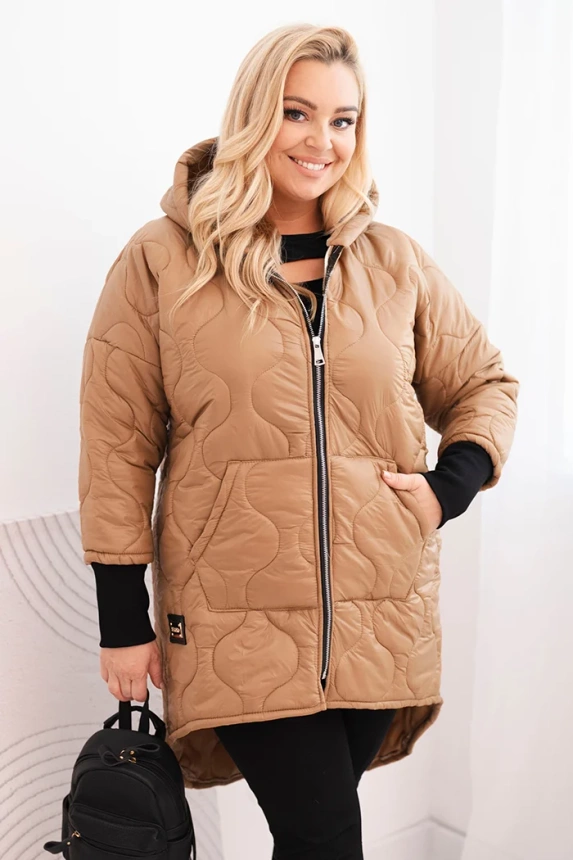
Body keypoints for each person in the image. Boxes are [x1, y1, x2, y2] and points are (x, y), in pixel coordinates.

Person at [79, 23, 519, 859]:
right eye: (296, 112)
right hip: (232, 615)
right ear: (255, 115)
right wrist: (120, 617)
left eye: (343, 120)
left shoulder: (393, 262)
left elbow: (484, 385)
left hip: (379, 608)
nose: (322, 141)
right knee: (326, 837)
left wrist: (448, 486)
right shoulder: (165, 259)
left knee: (314, 838)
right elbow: (116, 442)